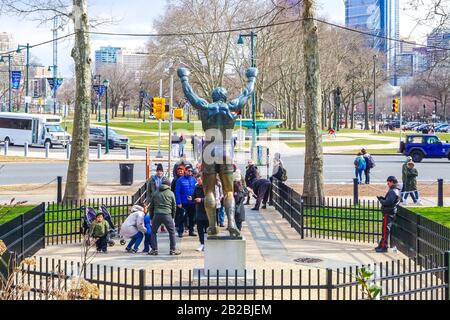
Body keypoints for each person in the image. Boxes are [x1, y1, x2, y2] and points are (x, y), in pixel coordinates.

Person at [148, 180, 181, 256]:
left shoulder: (155, 193)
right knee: (172, 232)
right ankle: (172, 250)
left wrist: (151, 217)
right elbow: (174, 206)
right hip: (167, 214)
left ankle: (154, 249)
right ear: (169, 186)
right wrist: (173, 217)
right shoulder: (171, 193)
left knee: (153, 232)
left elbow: (151, 207)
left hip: (157, 214)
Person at [376, 176, 401, 253]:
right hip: (390, 211)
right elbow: (390, 201)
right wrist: (383, 199)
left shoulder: (393, 191)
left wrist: (381, 200)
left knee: (385, 229)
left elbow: (388, 203)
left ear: (392, 182)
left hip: (388, 212)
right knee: (385, 229)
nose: (387, 184)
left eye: (388, 182)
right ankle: (382, 244)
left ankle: (384, 246)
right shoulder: (395, 190)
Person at [175, 165, 197, 236]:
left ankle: (191, 230)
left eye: (191, 171)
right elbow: (177, 192)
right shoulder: (180, 180)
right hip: (183, 202)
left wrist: (193, 198)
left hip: (192, 202)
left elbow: (196, 190)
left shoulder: (194, 179)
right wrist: (178, 202)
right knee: (182, 217)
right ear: (185, 171)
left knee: (192, 217)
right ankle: (180, 231)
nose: (190, 172)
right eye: (189, 171)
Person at [193, 174, 208, 252]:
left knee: (208, 229)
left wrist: (201, 200)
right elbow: (194, 196)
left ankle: (207, 244)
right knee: (199, 229)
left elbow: (211, 199)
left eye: (199, 180)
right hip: (199, 211)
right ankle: (202, 243)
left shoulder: (208, 187)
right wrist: (191, 198)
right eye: (197, 180)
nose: (198, 181)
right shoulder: (196, 187)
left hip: (207, 211)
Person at [172, 166, 187, 237]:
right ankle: (179, 227)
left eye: (181, 171)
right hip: (177, 199)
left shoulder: (186, 178)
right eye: (179, 171)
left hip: (186, 200)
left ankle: (185, 226)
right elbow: (172, 190)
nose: (180, 172)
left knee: (185, 214)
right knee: (178, 214)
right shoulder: (175, 180)